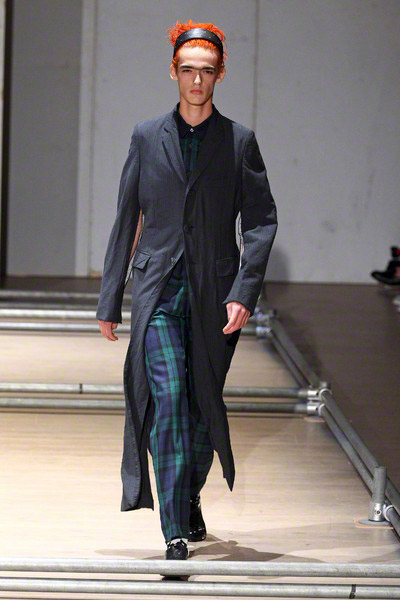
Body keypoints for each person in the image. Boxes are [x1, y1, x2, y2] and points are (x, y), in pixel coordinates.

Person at [96, 19, 278, 561]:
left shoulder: (239, 141)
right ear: (173, 72)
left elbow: (261, 221)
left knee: (201, 407)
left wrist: (244, 290)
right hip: (157, 288)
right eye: (188, 70)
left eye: (207, 71)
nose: (197, 80)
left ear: (220, 74)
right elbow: (128, 215)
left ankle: (189, 493)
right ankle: (174, 527)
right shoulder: (146, 135)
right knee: (170, 397)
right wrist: (110, 297)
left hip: (216, 296)